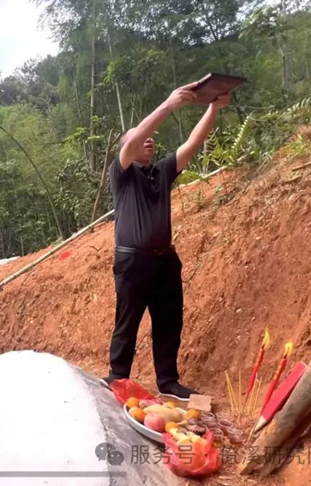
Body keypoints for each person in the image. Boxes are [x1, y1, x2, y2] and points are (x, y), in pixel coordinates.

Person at [104, 83, 230, 400]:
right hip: (133, 261)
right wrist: (169, 104)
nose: (148, 139)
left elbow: (193, 143)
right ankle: (118, 377)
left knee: (169, 321)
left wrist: (213, 109)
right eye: (139, 137)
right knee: (127, 321)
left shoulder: (161, 171)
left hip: (164, 260)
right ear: (127, 148)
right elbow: (135, 139)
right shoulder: (121, 174)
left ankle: (168, 381)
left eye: (151, 136)